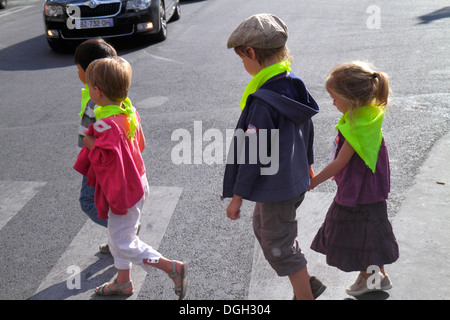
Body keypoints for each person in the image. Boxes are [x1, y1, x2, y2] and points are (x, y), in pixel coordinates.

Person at [222, 13, 325, 300]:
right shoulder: (293, 83)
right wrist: (308, 165)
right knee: (266, 229)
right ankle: (305, 283)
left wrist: (237, 196)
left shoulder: (262, 101)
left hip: (277, 185)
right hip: (290, 180)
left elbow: (253, 153)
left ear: (252, 52)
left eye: (242, 58)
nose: (243, 64)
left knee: (278, 243)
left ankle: (304, 293)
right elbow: (308, 128)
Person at [73, 57, 187, 299]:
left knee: (122, 242)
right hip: (138, 182)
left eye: (90, 86)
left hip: (122, 189)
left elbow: (106, 162)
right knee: (120, 236)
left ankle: (170, 267)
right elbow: (141, 144)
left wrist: (91, 143)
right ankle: (123, 282)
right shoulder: (128, 111)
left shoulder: (106, 126)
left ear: (97, 91)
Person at [309, 61, 399, 297]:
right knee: (369, 232)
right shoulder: (366, 117)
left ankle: (372, 279)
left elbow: (340, 162)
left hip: (359, 192)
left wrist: (313, 181)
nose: (333, 102)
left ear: (350, 98)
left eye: (334, 97)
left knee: (355, 232)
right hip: (368, 191)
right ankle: (375, 275)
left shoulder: (358, 125)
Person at [74, 39, 117, 253]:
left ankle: (122, 232)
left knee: (88, 202)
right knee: (106, 202)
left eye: (79, 68)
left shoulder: (97, 101)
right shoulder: (108, 94)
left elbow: (101, 137)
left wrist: (88, 146)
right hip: (99, 160)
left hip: (96, 162)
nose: (77, 72)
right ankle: (116, 239)